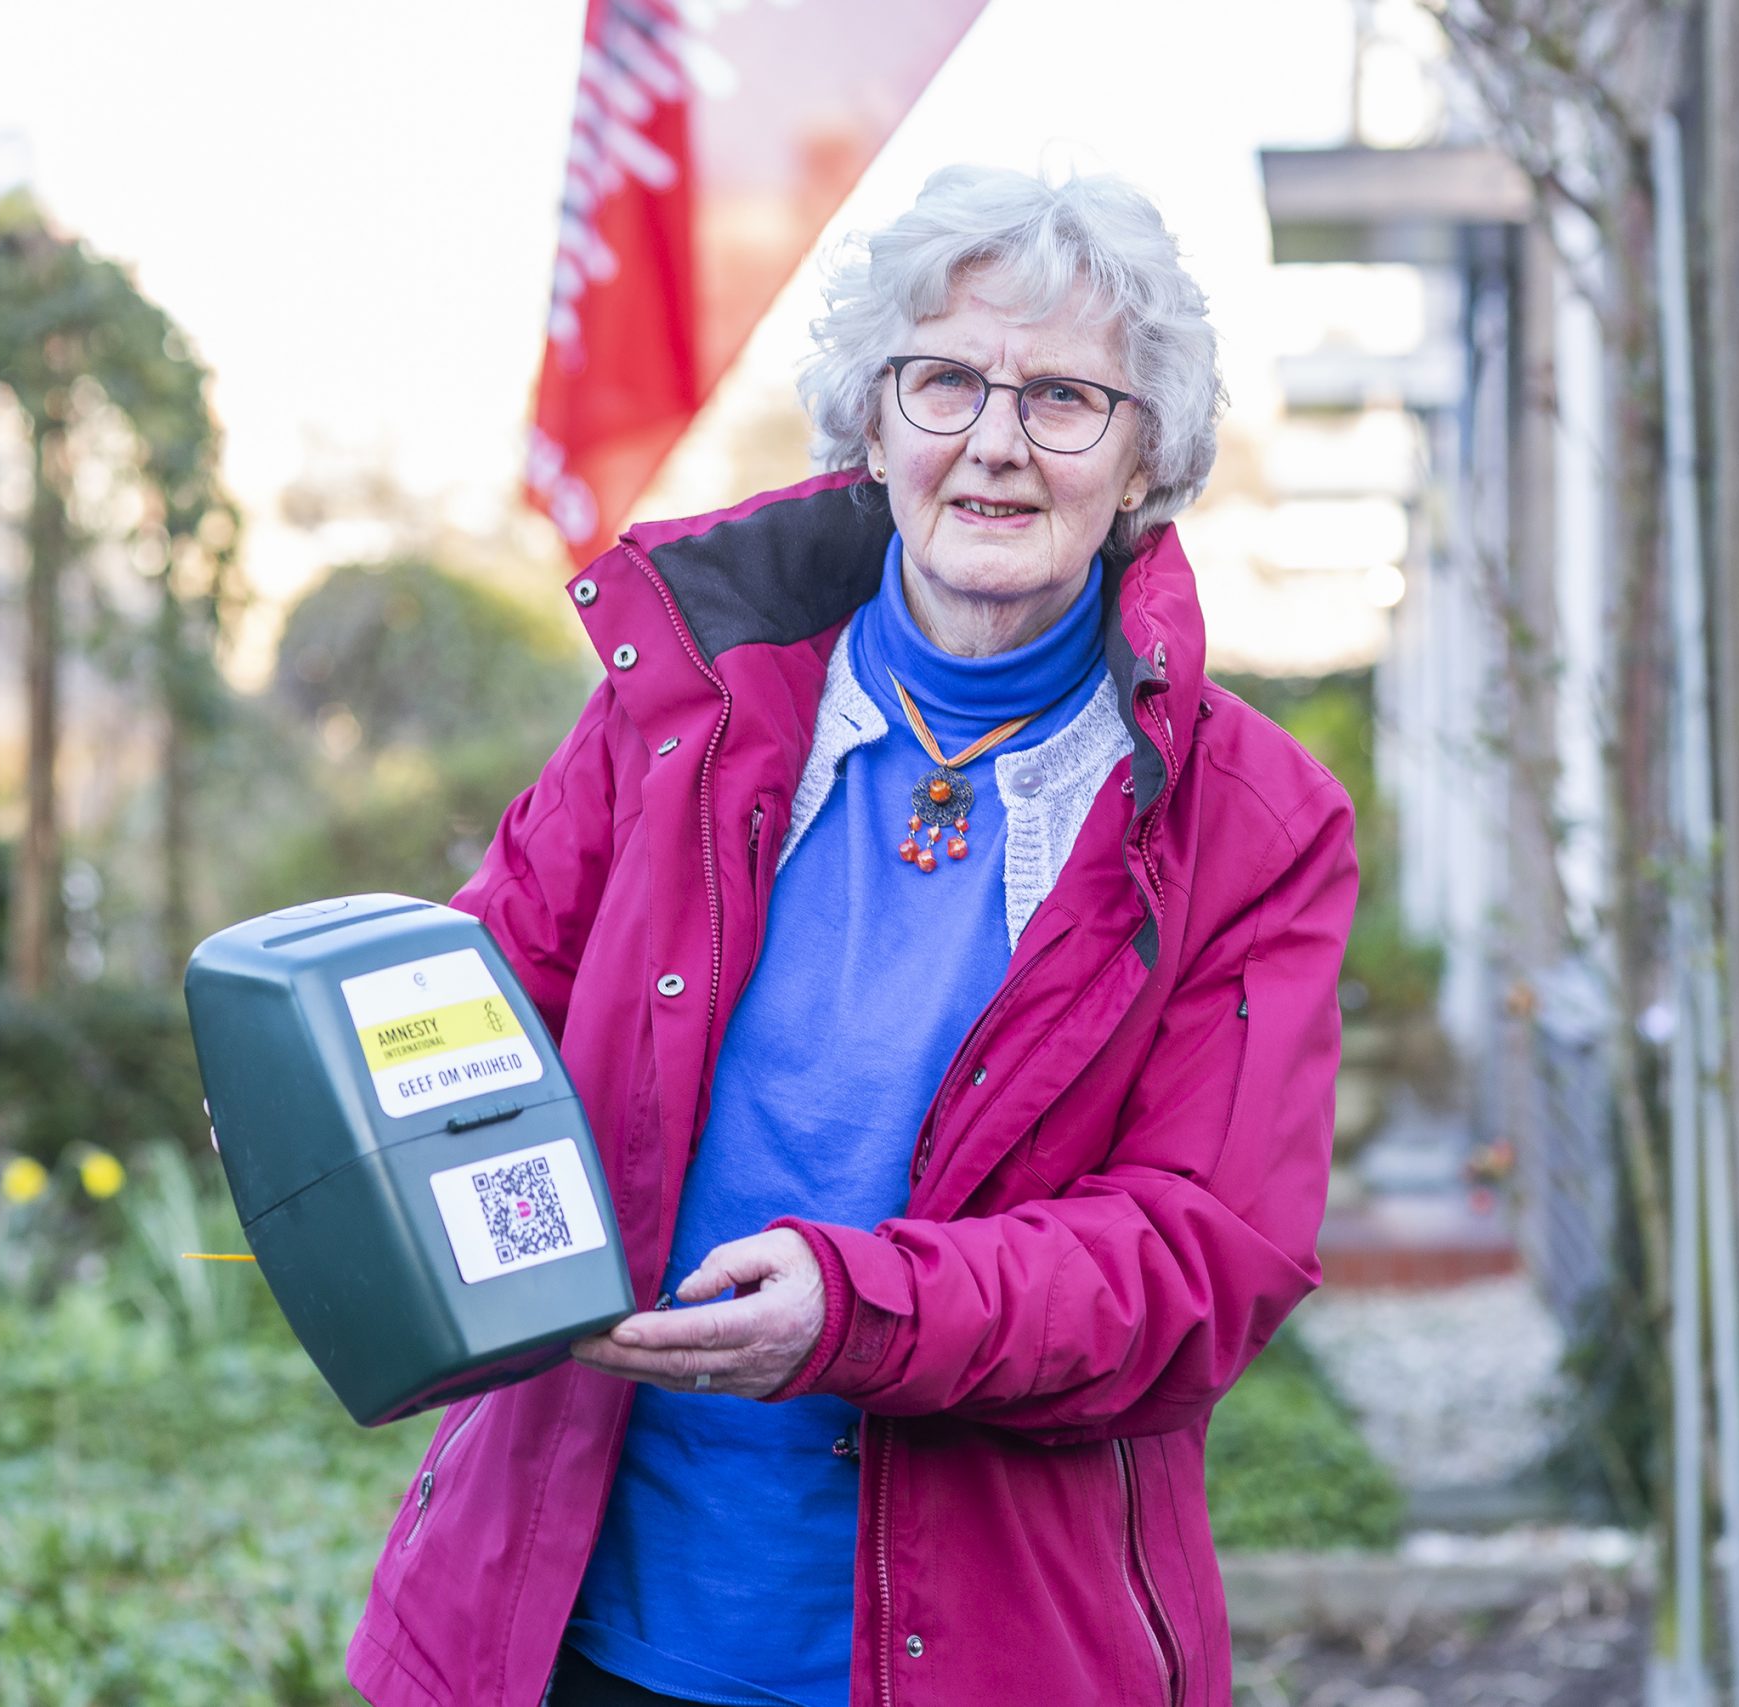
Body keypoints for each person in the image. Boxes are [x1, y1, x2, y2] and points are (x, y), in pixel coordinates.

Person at [347, 165, 1357, 1707]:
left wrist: (858, 1311)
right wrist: (330, 1084)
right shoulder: (674, 714)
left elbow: (1196, 1262)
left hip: (989, 1657)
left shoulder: (1252, 823)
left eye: (1069, 397)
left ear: (1145, 456)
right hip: (575, 1629)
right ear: (873, 424)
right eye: (946, 379)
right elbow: (483, 1030)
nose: (997, 444)